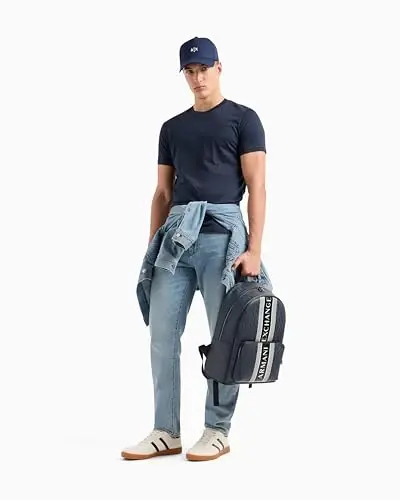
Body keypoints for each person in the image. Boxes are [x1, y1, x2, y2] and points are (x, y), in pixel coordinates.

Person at [121, 36, 273, 462]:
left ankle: (217, 429)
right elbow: (162, 193)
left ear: (219, 68)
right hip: (175, 243)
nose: (197, 77)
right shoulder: (172, 128)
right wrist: (152, 248)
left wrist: (254, 249)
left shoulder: (244, 119)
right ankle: (165, 431)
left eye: (203, 68)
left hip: (222, 240)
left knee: (225, 339)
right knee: (161, 337)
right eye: (189, 71)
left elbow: (258, 186)